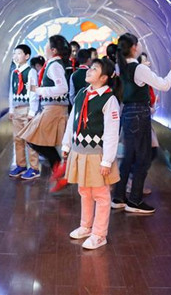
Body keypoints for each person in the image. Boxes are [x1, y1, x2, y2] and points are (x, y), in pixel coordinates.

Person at [112, 33, 171, 214]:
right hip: (139, 114)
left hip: (127, 112)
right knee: (142, 158)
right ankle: (134, 200)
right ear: (134, 47)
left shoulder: (121, 67)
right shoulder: (139, 68)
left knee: (128, 157)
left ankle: (118, 197)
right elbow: (163, 85)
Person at [63, 58, 121, 249]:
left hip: (98, 154)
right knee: (84, 191)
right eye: (90, 67)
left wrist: (107, 161)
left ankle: (99, 234)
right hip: (79, 151)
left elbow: (112, 132)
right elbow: (72, 120)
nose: (89, 70)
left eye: (94, 69)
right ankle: (86, 227)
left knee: (101, 194)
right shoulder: (82, 93)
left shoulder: (109, 99)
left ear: (104, 78)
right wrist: (66, 145)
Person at [19, 35, 71, 192]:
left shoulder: (54, 66)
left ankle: (60, 167)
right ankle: (60, 171)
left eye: (47, 45)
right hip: (50, 108)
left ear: (53, 50)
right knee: (35, 139)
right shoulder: (53, 64)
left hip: (54, 109)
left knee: (32, 138)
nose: (46, 47)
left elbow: (63, 88)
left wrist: (38, 90)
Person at [8, 45, 41, 180]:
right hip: (17, 109)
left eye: (19, 53)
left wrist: (32, 111)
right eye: (14, 54)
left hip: (27, 109)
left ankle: (34, 168)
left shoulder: (31, 72)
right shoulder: (14, 73)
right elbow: (11, 91)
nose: (16, 56)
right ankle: (21, 165)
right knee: (17, 139)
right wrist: (11, 109)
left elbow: (33, 91)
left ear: (27, 56)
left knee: (30, 139)